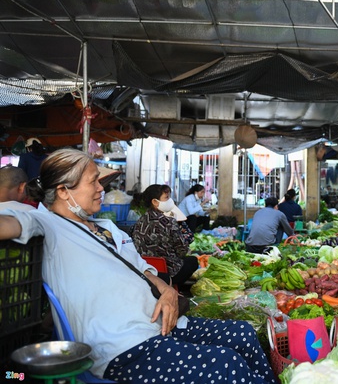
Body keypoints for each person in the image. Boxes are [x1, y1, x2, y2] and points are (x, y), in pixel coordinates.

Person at [0, 149, 276, 383]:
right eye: (93, 181)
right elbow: (8, 224)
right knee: (227, 365)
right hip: (124, 346)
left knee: (244, 334)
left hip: (161, 325)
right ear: (62, 191)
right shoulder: (47, 225)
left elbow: (141, 267)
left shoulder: (108, 228)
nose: (101, 188)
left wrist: (166, 290)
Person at [132, 184, 199, 289]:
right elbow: (182, 251)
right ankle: (172, 286)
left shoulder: (139, 222)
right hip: (167, 272)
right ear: (155, 202)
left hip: (145, 269)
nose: (170, 201)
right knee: (192, 261)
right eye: (166, 198)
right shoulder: (169, 222)